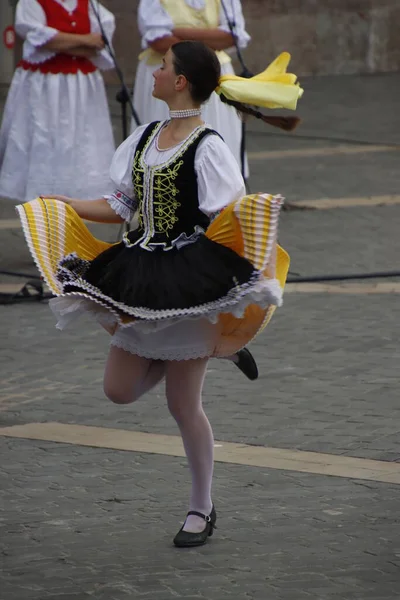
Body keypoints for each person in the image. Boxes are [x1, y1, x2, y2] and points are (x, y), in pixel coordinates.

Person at [16, 41, 302, 547]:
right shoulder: (145, 136)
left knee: (181, 404)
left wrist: (227, 282)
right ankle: (214, 348)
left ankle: (201, 507)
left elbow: (227, 216)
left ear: (180, 82)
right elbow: (121, 203)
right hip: (139, 270)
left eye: (163, 67)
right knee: (118, 390)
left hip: (188, 279)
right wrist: (68, 205)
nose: (153, 73)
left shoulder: (208, 146)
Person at [0, 0, 116, 203]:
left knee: (82, 138)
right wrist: (84, 40)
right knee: (45, 135)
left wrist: (64, 42)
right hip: (44, 85)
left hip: (81, 86)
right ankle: (43, 191)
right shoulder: (32, 3)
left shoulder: (89, 5)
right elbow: (40, 39)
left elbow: (99, 44)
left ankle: (77, 192)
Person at [132, 0, 250, 174]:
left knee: (217, 135)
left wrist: (179, 31)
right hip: (171, 73)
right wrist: (210, 36)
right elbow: (159, 40)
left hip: (211, 73)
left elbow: (231, 36)